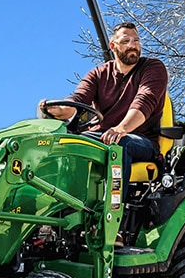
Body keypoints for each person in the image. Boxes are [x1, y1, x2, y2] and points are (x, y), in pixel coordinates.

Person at [39, 21, 168, 184]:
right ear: (113, 46)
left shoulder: (152, 68)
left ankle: (115, 206)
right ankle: (60, 203)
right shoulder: (99, 74)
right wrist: (56, 109)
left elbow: (144, 101)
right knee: (63, 143)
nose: (133, 45)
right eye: (125, 41)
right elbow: (77, 101)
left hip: (138, 139)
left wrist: (122, 128)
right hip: (101, 135)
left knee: (120, 143)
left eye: (136, 40)